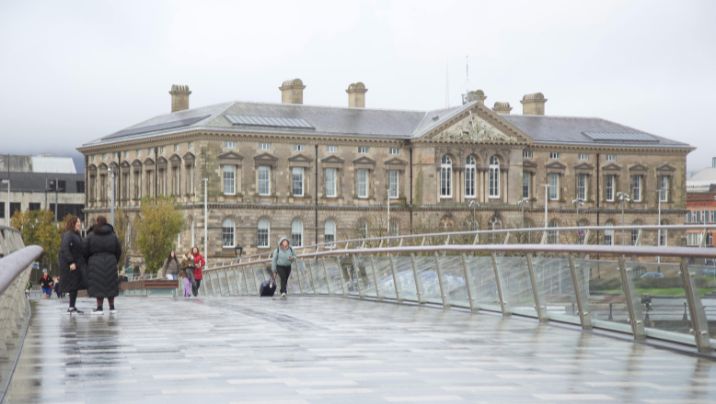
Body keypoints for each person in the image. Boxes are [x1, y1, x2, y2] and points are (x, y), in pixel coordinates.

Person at [84, 216, 122, 314]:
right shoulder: (113, 235)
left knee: (98, 285)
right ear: (106, 223)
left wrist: (89, 261)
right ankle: (112, 307)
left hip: (95, 263)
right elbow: (119, 250)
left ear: (97, 222)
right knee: (111, 285)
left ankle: (99, 307)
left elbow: (85, 250)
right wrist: (115, 260)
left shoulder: (91, 235)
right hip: (111, 261)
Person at [59, 215, 86, 314]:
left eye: (80, 222)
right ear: (73, 223)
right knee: (72, 285)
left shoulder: (77, 234)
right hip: (71, 265)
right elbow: (65, 248)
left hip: (77, 264)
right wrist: (71, 262)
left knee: (75, 286)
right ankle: (71, 306)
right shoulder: (68, 235)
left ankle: (72, 306)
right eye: (78, 222)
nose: (79, 224)